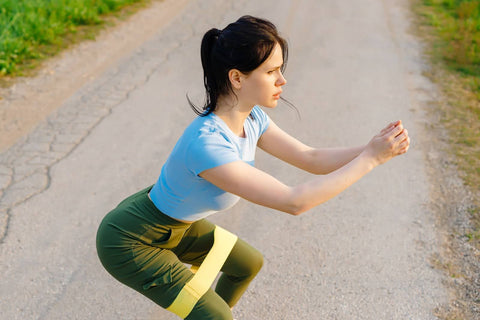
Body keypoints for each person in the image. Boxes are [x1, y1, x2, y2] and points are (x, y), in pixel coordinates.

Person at [96, 15, 410, 320]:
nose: (282, 80)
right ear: (237, 77)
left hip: (179, 226)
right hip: (130, 240)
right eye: (272, 71)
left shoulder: (252, 118)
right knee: (215, 315)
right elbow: (294, 202)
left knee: (247, 264)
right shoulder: (206, 145)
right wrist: (371, 159)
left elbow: (311, 158)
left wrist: (375, 148)